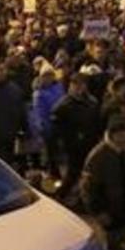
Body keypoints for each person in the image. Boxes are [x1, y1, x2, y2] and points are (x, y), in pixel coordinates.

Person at [79, 117, 125, 250]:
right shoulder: (98, 157)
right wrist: (99, 212)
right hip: (110, 211)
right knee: (114, 244)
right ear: (113, 136)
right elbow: (88, 189)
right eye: (122, 135)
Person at [51, 72, 101, 204]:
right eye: (76, 85)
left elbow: (96, 120)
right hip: (73, 145)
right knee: (73, 172)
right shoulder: (63, 106)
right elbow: (57, 128)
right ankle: (60, 196)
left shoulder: (91, 101)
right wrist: (65, 141)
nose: (79, 88)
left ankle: (82, 197)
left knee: (87, 172)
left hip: (90, 141)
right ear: (71, 86)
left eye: (82, 85)